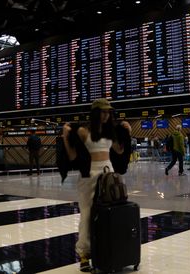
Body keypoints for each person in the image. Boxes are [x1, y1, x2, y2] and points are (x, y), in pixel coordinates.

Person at [62, 98, 131, 272]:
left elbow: (119, 150)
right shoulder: (84, 132)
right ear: (95, 113)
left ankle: (109, 249)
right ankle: (84, 255)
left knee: (111, 213)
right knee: (87, 214)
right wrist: (65, 137)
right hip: (89, 176)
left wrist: (127, 134)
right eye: (103, 112)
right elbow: (72, 156)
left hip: (109, 174)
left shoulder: (110, 133)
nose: (106, 115)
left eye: (108, 112)